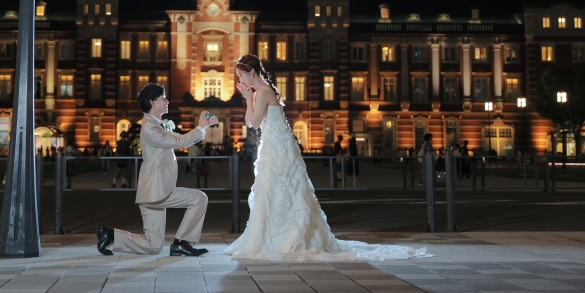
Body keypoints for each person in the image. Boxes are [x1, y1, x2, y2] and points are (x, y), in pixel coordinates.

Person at [223, 55, 430, 261]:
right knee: (273, 190)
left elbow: (256, 122)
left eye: (241, 75)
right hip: (272, 146)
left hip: (278, 147)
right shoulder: (260, 92)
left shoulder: (265, 92)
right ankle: (273, 235)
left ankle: (287, 236)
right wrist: (249, 100)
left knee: (283, 188)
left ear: (252, 72)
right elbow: (250, 123)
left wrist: (249, 99)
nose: (241, 80)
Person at [96, 83, 218, 257]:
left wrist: (203, 127)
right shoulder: (149, 127)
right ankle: (181, 243)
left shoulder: (157, 125)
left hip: (152, 193)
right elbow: (179, 142)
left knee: (154, 246)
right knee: (199, 199)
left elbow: (180, 138)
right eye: (163, 98)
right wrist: (200, 127)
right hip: (156, 191)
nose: (167, 101)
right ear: (152, 102)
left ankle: (110, 235)